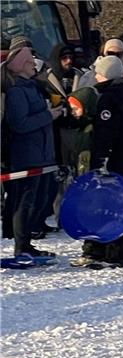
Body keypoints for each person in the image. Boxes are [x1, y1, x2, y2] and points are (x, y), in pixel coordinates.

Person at [71, 56, 123, 268]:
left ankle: (114, 253)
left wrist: (100, 162)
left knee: (107, 207)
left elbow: (106, 133)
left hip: (113, 162)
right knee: (119, 206)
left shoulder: (107, 98)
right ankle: (122, 252)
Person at [2, 47, 62, 258]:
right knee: (24, 201)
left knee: (39, 199)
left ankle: (27, 242)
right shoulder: (16, 91)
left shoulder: (33, 86)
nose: (33, 65)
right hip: (26, 154)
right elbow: (20, 124)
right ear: (20, 66)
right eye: (29, 62)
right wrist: (48, 115)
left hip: (42, 152)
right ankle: (21, 245)